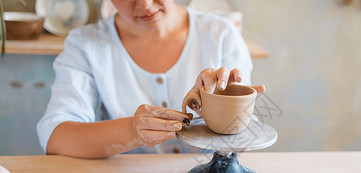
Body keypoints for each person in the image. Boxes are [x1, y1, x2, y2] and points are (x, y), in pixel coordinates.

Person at [37, 0, 264, 159]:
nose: (145, 4)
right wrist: (133, 130)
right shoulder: (85, 43)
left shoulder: (221, 34)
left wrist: (221, 107)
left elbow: (242, 141)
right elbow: (55, 138)